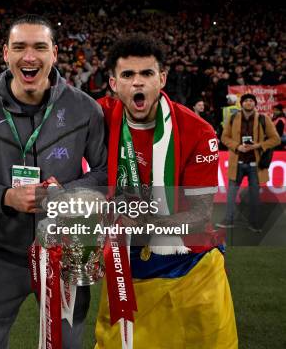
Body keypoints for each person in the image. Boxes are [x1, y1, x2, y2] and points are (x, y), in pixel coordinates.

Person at [0, 14, 107, 349]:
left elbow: (103, 172)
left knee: (68, 344)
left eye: (39, 47)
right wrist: (5, 197)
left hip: (67, 252)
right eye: (19, 47)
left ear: (54, 53)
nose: (29, 56)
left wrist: (67, 193)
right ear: (5, 53)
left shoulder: (85, 109)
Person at [95, 34, 238, 348]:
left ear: (162, 78)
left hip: (191, 269)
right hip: (126, 269)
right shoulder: (98, 115)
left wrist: (139, 225)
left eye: (147, 74)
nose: (137, 83)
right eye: (128, 75)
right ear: (113, 83)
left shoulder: (197, 130)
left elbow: (199, 217)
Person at [217, 93, 280, 231]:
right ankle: (229, 220)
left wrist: (257, 146)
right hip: (237, 162)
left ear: (255, 104)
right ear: (241, 103)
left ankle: (254, 223)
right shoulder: (233, 118)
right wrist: (237, 146)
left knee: (254, 196)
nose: (249, 103)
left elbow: (275, 139)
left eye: (251, 101)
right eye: (246, 101)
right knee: (231, 194)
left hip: (255, 165)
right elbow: (224, 137)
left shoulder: (264, 119)